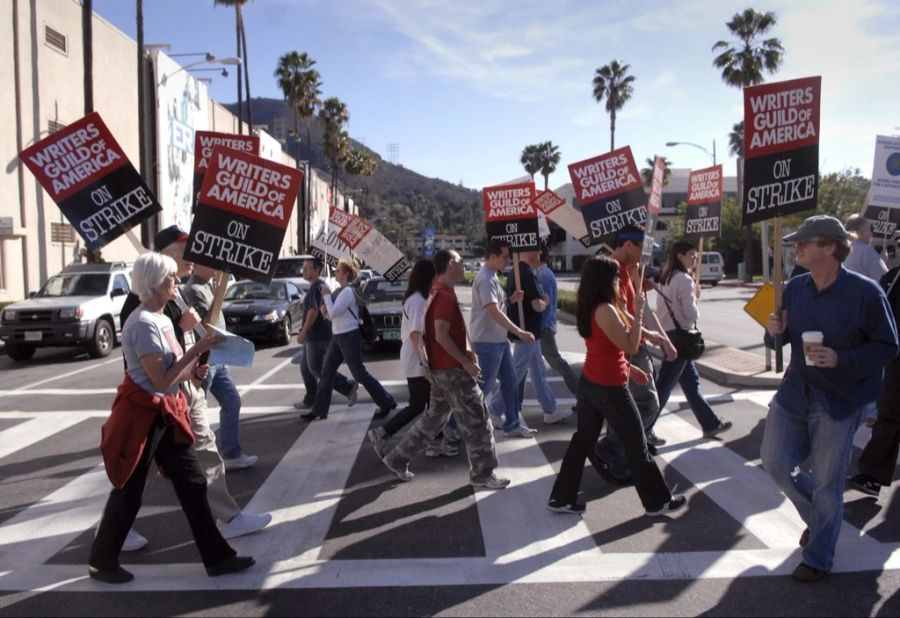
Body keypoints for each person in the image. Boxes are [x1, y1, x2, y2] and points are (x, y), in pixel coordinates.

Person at [89, 252, 254, 584]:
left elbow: (172, 374)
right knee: (129, 489)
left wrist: (195, 372)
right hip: (145, 417)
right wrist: (195, 352)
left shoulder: (163, 320)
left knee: (192, 483)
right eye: (170, 278)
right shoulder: (142, 323)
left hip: (165, 415)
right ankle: (102, 561)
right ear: (153, 283)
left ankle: (218, 558)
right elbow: (160, 380)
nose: (177, 281)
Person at [762, 215, 898, 583]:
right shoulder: (795, 287)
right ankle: (819, 518)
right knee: (774, 462)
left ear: (830, 248)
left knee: (827, 484)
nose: (798, 248)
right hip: (795, 392)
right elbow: (777, 342)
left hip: (838, 400)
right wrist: (773, 331)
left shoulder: (867, 293)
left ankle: (819, 556)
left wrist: (842, 359)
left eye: (805, 243)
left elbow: (889, 346)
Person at [118, 226, 271, 550]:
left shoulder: (173, 293)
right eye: (187, 251)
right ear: (169, 255)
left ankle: (225, 523)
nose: (193, 259)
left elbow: (181, 338)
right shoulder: (142, 306)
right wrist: (187, 337)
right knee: (149, 464)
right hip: (161, 397)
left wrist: (195, 364)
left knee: (191, 456)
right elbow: (149, 355)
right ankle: (117, 527)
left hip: (181, 389)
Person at [547, 255, 685, 516]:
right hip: (609, 388)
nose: (618, 280)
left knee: (583, 441)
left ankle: (561, 498)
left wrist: (630, 367)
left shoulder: (594, 306)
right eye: (614, 276)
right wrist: (639, 308)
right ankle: (657, 502)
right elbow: (630, 345)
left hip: (593, 382)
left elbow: (608, 346)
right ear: (603, 280)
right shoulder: (605, 310)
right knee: (637, 442)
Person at [380, 249, 509, 489]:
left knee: (433, 420)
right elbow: (440, 335)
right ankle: (482, 474)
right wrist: (465, 362)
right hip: (452, 371)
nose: (464, 266)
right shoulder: (443, 296)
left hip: (442, 370)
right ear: (450, 264)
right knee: (479, 421)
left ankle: (397, 459)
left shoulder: (437, 293)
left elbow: (437, 335)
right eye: (461, 262)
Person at [594, 226, 676, 484]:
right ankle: (611, 449)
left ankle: (618, 458)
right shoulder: (611, 271)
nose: (645, 257)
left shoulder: (628, 270)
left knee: (626, 408)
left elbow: (631, 311)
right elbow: (614, 313)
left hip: (634, 344)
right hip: (625, 348)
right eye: (642, 250)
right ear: (628, 245)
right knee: (648, 404)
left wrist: (651, 335)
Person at [368, 259, 458, 458]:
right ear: (428, 276)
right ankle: (383, 434)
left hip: (417, 357)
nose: (437, 278)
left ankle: (435, 443)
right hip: (416, 358)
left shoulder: (418, 298)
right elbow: (415, 334)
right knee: (421, 404)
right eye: (435, 275)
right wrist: (425, 362)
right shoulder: (417, 300)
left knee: (431, 404)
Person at [182, 262, 258, 470]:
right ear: (198, 265)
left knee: (231, 401)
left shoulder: (206, 286)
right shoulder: (194, 290)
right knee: (196, 409)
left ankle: (231, 454)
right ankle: (189, 459)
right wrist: (218, 295)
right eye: (210, 264)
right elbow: (202, 326)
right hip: (206, 358)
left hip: (218, 357)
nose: (216, 268)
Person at [302, 258, 396, 421]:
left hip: (349, 337)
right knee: (326, 373)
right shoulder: (341, 291)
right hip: (338, 336)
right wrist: (325, 310)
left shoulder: (348, 292)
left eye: (338, 270)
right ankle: (319, 410)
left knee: (360, 374)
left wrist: (326, 298)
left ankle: (387, 402)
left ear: (345, 273)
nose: (335, 273)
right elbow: (333, 317)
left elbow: (334, 313)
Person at [654, 241, 732, 438]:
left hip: (670, 335)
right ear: (680, 255)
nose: (695, 259)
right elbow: (691, 315)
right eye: (692, 254)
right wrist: (695, 298)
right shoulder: (684, 280)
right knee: (664, 386)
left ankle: (710, 423)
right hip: (682, 337)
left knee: (691, 383)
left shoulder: (665, 277)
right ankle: (644, 427)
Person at [491, 249, 572, 427]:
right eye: (535, 249)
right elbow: (537, 305)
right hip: (528, 332)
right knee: (517, 373)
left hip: (527, 332)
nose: (539, 252)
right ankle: (495, 409)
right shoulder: (527, 273)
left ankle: (550, 409)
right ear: (527, 252)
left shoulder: (515, 272)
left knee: (538, 372)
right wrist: (546, 300)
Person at [469, 239, 537, 439]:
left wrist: (510, 300)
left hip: (497, 342)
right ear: (492, 256)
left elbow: (494, 305)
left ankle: (513, 424)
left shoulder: (491, 276)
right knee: (482, 387)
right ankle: (454, 427)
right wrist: (519, 332)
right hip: (487, 343)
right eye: (504, 256)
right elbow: (492, 310)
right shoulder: (486, 278)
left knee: (510, 381)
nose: (507, 259)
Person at [849, 264, 900, 496]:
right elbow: (876, 315)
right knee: (889, 416)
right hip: (895, 359)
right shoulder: (894, 276)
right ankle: (873, 474)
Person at [293, 258, 358, 411]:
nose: (305, 271)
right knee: (305, 368)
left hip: (317, 336)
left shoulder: (318, 286)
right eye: (304, 268)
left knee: (317, 369)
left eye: (308, 268)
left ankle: (348, 386)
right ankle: (310, 399)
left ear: (317, 271)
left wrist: (303, 332)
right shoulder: (314, 287)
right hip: (314, 336)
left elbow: (313, 311)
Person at [536, 242, 580, 396]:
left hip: (544, 328)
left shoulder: (544, 275)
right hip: (543, 327)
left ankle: (580, 394)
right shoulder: (542, 273)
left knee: (556, 362)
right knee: (531, 364)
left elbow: (545, 304)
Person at [843, 214, 888, 282]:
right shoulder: (865, 250)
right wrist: (883, 261)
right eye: (870, 229)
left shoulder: (840, 248)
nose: (871, 234)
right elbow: (884, 279)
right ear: (861, 232)